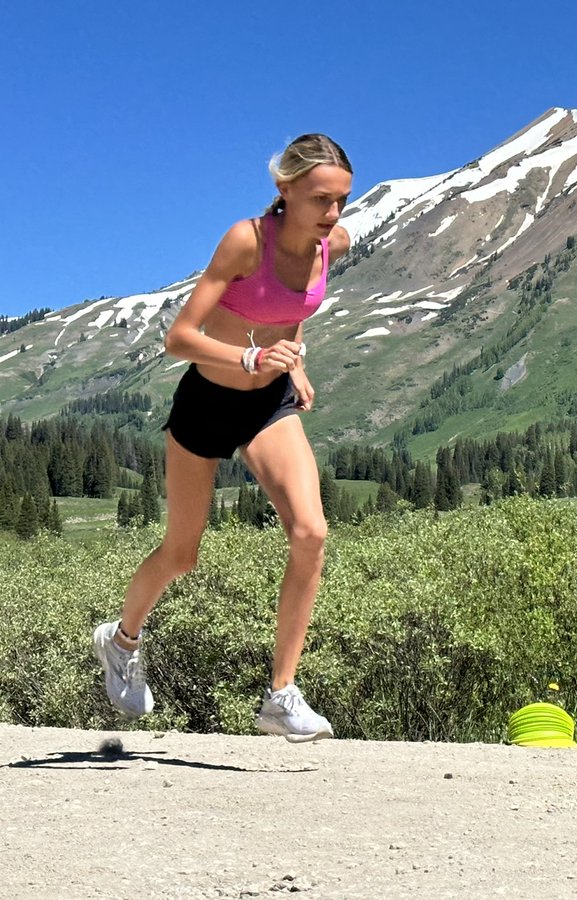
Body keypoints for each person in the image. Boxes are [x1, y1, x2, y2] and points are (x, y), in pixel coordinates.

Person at [93, 134, 354, 742]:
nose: (332, 215)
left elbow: (295, 306)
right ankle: (122, 638)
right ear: (284, 189)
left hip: (268, 402)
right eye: (320, 199)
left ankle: (280, 695)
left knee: (311, 533)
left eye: (341, 201)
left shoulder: (330, 245)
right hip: (207, 402)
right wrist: (250, 358)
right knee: (182, 554)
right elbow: (180, 337)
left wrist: (293, 362)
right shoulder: (246, 241)